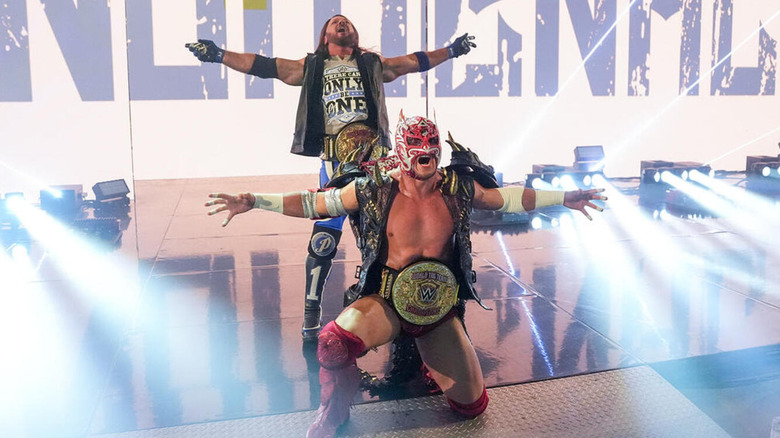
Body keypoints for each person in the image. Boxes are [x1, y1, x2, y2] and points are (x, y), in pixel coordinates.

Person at [204, 114, 606, 437]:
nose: (426, 158)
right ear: (402, 152)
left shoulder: (459, 188)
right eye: (418, 151)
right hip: (387, 302)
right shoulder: (373, 188)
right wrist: (255, 200)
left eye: (432, 151)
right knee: (333, 343)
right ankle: (334, 409)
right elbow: (317, 203)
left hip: (438, 314)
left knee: (472, 407)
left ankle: (434, 369)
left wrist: (564, 197)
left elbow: (511, 198)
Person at [187, 15, 477, 341]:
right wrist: (219, 54)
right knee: (326, 231)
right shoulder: (311, 66)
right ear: (325, 36)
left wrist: (452, 50)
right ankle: (312, 311)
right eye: (335, 22)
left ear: (354, 33)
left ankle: (402, 310)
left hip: (376, 164)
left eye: (347, 21)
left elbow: (414, 62)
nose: (342, 23)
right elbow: (264, 66)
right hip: (337, 164)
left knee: (388, 236)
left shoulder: (373, 64)